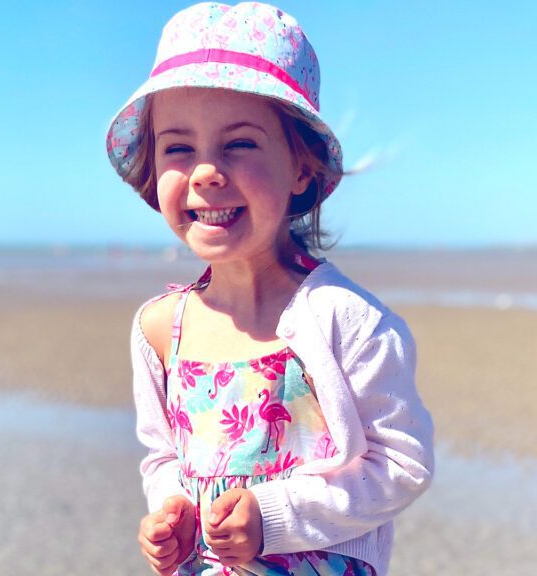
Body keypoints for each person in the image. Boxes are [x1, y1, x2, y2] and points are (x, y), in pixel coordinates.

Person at [105, 3, 434, 575]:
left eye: (240, 144)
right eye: (178, 148)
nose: (206, 171)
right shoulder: (159, 329)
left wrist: (273, 515)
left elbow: (400, 463)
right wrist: (169, 512)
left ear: (301, 169)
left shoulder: (345, 320)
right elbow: (162, 457)